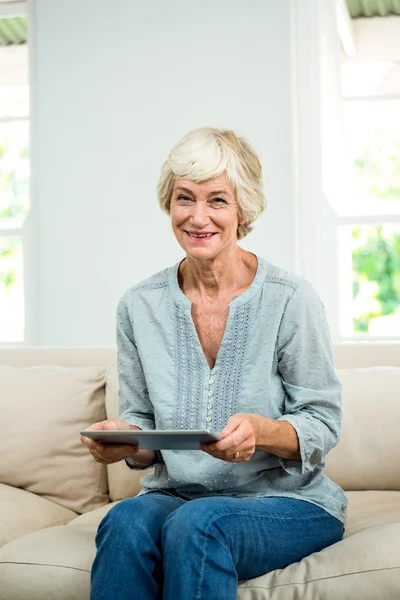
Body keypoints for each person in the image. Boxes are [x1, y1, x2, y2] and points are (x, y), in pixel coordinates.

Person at [81, 127, 347, 600]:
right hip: (178, 494)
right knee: (124, 520)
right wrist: (126, 441)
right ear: (169, 204)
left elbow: (322, 423)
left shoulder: (291, 299)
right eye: (185, 198)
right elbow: (145, 431)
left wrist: (261, 432)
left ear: (243, 208)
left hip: (289, 502)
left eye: (217, 200)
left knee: (199, 524)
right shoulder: (138, 306)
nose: (198, 217)